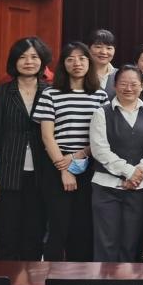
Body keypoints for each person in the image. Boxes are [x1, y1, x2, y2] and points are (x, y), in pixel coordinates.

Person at [34, 42, 107, 261]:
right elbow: (47, 136)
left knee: (83, 226)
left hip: (89, 163)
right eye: (70, 59)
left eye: (82, 58)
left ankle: (81, 277)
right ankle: (51, 276)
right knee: (58, 225)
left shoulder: (100, 95)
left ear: (89, 63)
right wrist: (65, 169)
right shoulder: (50, 94)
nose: (77, 63)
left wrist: (78, 156)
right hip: (56, 163)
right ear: (63, 64)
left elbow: (102, 137)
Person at [0, 36, 52, 260]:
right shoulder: (2, 92)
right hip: (7, 173)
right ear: (14, 61)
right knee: (8, 235)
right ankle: (8, 281)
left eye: (34, 57)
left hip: (42, 174)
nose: (29, 62)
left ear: (42, 61)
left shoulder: (51, 91)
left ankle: (32, 281)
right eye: (22, 57)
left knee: (35, 235)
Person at [88, 65, 143, 262]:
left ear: (142, 86)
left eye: (134, 84)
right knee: (106, 242)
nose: (129, 88)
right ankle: (103, 281)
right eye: (123, 84)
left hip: (140, 188)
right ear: (115, 86)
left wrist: (139, 172)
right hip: (106, 188)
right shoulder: (102, 113)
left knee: (131, 243)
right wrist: (128, 172)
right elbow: (100, 149)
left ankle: (127, 282)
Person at [88, 28, 118, 97]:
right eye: (98, 47)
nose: (104, 52)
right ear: (88, 49)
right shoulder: (81, 74)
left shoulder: (120, 75)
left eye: (109, 48)